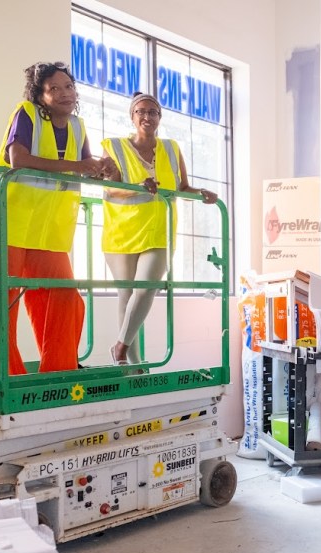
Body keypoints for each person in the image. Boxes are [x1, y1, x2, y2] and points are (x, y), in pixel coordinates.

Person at [0, 61, 111, 375]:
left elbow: (86, 167)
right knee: (1, 308)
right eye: (53, 88)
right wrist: (81, 167)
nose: (64, 93)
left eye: (68, 86)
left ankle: (57, 374)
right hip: (6, 223)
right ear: (40, 95)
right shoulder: (27, 114)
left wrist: (103, 168)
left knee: (67, 300)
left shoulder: (79, 126)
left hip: (49, 231)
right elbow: (18, 159)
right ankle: (10, 378)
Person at [101, 92, 217, 365]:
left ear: (160, 118)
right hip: (121, 233)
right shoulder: (115, 146)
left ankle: (119, 347)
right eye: (141, 111)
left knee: (147, 287)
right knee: (127, 295)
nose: (147, 117)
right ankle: (133, 366)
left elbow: (182, 187)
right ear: (132, 116)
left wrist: (202, 192)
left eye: (153, 112)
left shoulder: (171, 148)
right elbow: (109, 190)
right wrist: (135, 189)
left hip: (158, 231)